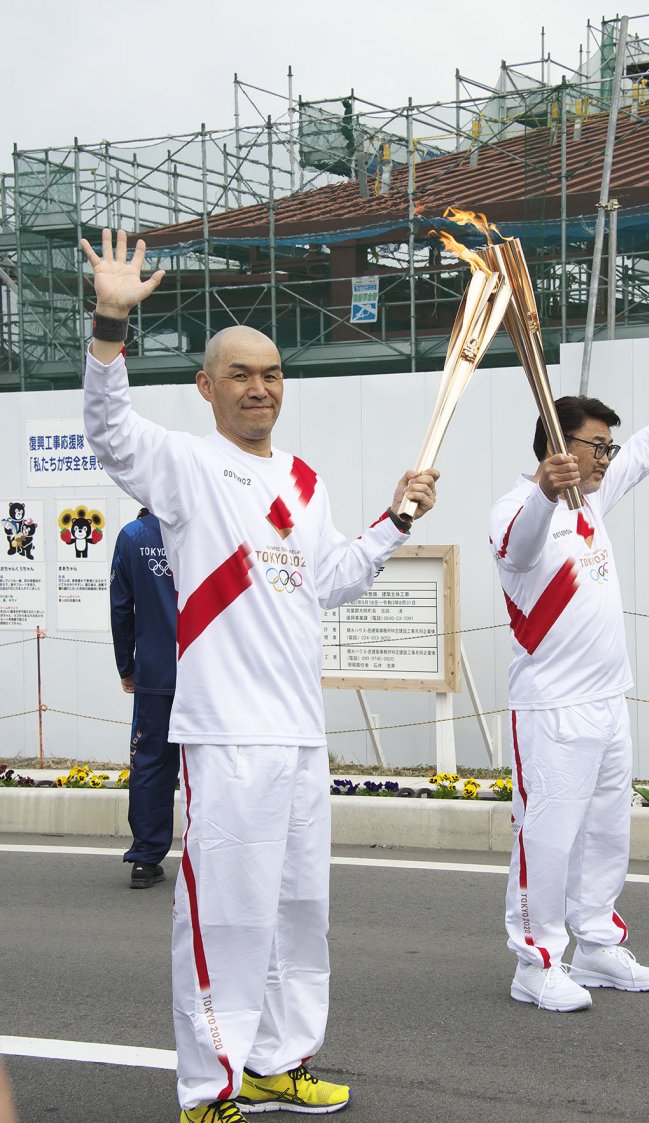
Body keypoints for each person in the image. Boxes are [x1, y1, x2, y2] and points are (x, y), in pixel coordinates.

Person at [81, 229, 439, 1122]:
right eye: (241, 374)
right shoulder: (187, 466)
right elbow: (109, 429)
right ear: (207, 386)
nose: (260, 387)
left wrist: (394, 520)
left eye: (273, 373)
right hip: (227, 732)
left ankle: (281, 1061)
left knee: (298, 913)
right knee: (224, 917)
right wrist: (110, 321)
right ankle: (209, 1085)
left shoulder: (305, 480)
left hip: (297, 733)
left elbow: (329, 582)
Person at [489, 343, 649, 1013]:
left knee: (608, 832)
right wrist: (544, 491)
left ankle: (596, 944)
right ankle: (535, 960)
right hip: (552, 709)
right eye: (598, 447)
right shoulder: (515, 510)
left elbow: (644, 451)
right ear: (560, 448)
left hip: (608, 700)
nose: (609, 457)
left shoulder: (589, 501)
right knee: (549, 837)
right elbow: (521, 547)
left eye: (608, 448)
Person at [110, 506, 179, 888]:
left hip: (155, 671)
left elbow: (121, 608)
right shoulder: (204, 525)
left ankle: (145, 858)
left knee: (151, 763)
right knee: (212, 764)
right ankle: (216, 858)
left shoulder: (134, 536)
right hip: (209, 670)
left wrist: (126, 666)